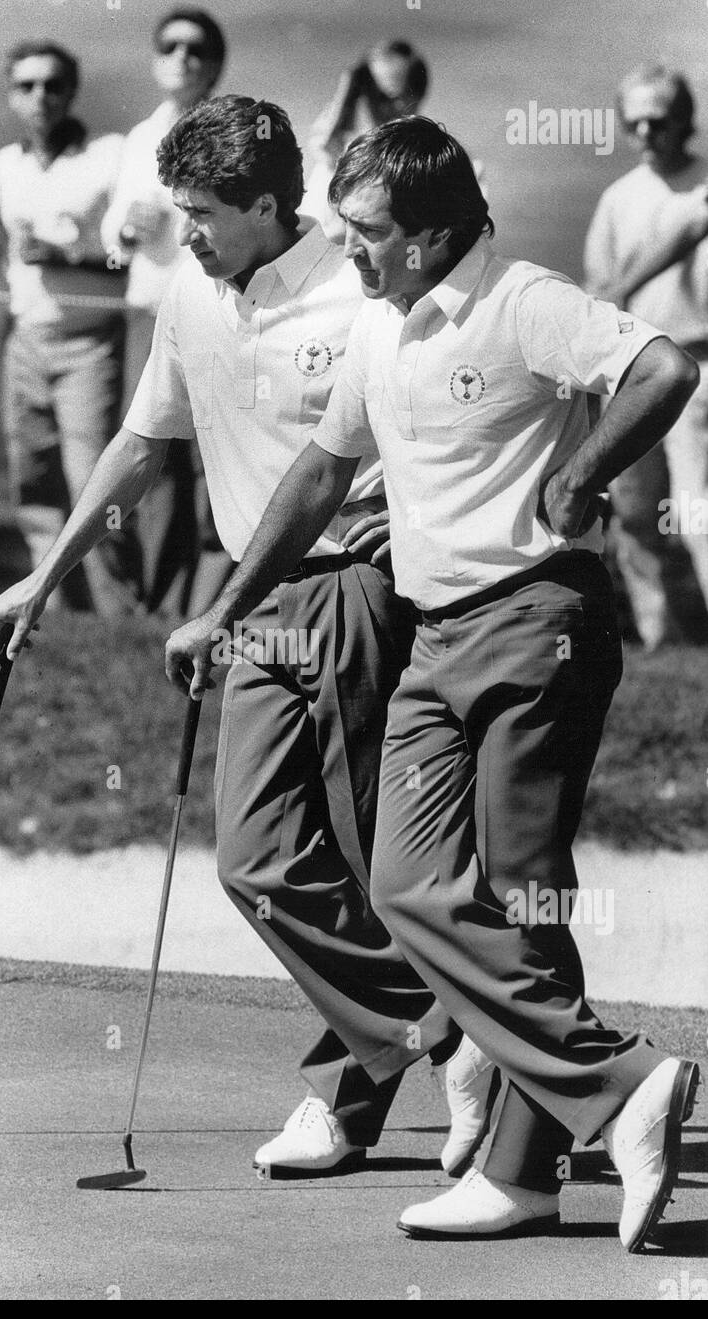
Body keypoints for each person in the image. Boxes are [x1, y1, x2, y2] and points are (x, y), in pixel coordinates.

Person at [162, 116, 700, 1250]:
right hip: (434, 635)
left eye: (367, 234)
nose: (346, 251)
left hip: (537, 621)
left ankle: (527, 1168)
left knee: (517, 887)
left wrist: (584, 472)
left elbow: (662, 366)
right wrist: (226, 606)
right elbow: (319, 473)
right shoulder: (378, 321)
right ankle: (618, 1084)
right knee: (412, 886)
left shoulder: (523, 301)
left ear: (433, 232)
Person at [0, 96, 504, 1180]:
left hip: (366, 589)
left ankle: (343, 1101)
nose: (187, 233)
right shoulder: (189, 293)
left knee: (377, 855)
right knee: (257, 858)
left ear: (270, 204)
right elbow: (140, 439)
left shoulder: (355, 289)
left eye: (205, 213)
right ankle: (449, 1032)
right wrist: (46, 572)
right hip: (254, 599)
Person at [0, 41, 139, 618]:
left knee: (93, 487)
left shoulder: (109, 154)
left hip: (90, 342)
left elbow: (124, 258)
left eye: (53, 85)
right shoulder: (5, 163)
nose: (41, 98)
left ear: (71, 92)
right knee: (33, 485)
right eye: (26, 86)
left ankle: (118, 619)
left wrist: (61, 252)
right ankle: (50, 614)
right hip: (25, 340)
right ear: (11, 95)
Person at [100, 8, 232, 618]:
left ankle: (204, 603)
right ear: (156, 60)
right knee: (154, 457)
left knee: (215, 462)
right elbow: (113, 231)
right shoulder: (137, 137)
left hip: (218, 313)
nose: (183, 58)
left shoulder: (231, 131)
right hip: (150, 314)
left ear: (214, 63)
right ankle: (151, 605)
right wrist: (123, 230)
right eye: (171, 47)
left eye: (196, 48)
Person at [585, 66, 708, 648]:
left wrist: (620, 286)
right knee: (635, 516)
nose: (643, 132)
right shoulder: (617, 198)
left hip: (701, 367)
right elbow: (598, 289)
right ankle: (667, 645)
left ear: (684, 119)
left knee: (697, 512)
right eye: (631, 121)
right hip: (633, 372)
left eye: (656, 119)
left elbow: (689, 228)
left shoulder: (706, 180)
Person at [301, 40, 429, 242]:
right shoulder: (348, 153)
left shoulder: (426, 160)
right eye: (373, 93)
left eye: (392, 96)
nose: (382, 106)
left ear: (415, 95)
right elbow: (323, 145)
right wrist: (348, 92)